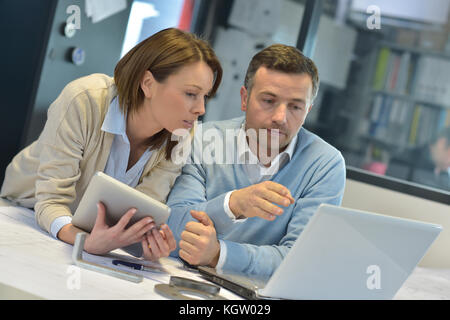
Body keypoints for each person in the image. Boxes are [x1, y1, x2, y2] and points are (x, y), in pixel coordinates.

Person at [0, 28, 222, 260]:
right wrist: (84, 241)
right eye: (190, 93)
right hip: (25, 213)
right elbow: (51, 201)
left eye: (205, 96)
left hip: (86, 235)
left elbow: (142, 211)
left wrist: (146, 242)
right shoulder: (85, 99)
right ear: (148, 83)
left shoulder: (182, 133)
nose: (200, 109)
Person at [166, 44, 346, 277]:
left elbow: (300, 260)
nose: (280, 118)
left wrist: (219, 254)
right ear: (245, 98)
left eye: (295, 107)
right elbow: (172, 228)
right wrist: (234, 204)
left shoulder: (325, 164)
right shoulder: (201, 140)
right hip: (184, 279)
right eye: (269, 101)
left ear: (308, 110)